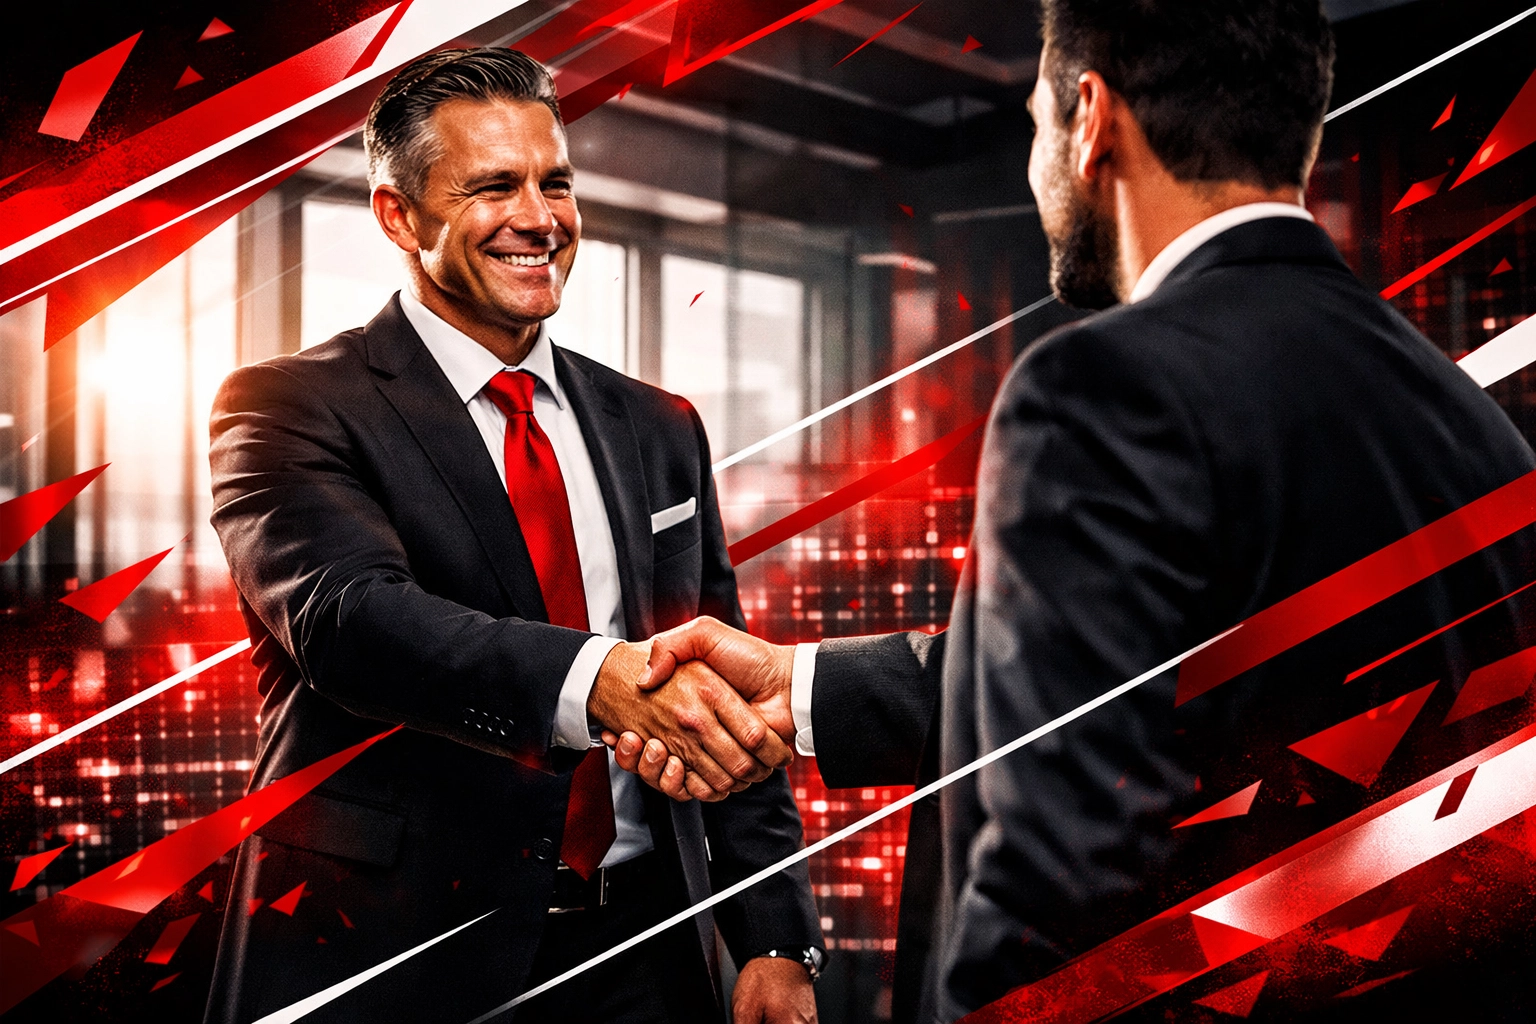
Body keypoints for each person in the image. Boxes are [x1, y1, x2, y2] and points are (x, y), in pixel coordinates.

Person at [611, 1, 1536, 1020]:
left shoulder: (1103, 390)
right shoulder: (1471, 422)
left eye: (1036, 124)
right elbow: (1212, 689)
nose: (1033, 164)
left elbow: (1047, 913)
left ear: (1091, 118)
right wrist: (803, 686)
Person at [204, 48, 821, 1024]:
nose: (541, 217)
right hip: (392, 956)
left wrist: (776, 938)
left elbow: (727, 682)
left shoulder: (659, 426)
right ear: (397, 215)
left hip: (642, 955)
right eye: (495, 185)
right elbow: (353, 621)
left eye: (555, 182)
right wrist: (596, 678)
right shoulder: (288, 406)